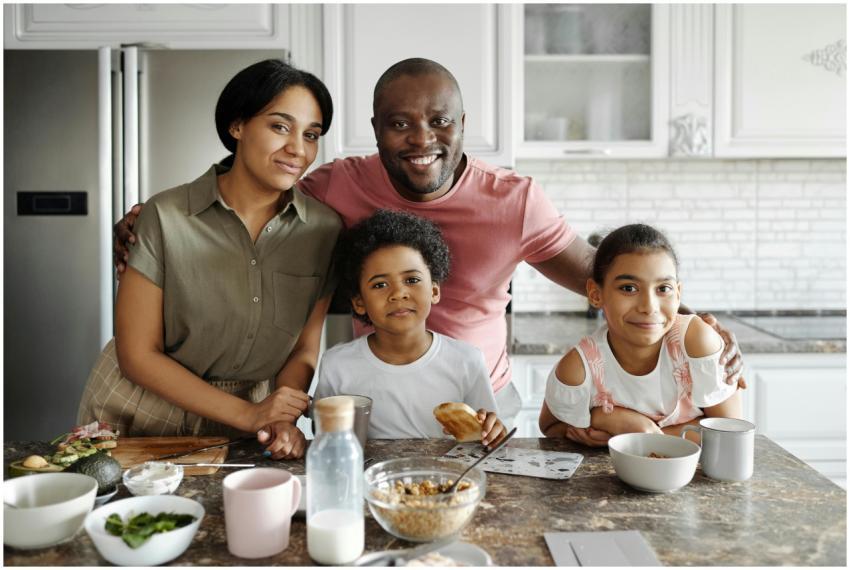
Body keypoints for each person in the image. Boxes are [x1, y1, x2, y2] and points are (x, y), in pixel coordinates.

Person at [112, 58, 745, 446]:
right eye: (400, 123)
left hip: (480, 406)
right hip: (375, 404)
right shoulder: (333, 188)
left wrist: (691, 320)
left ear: (463, 125)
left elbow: (605, 275)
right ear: (375, 130)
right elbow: (255, 183)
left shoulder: (516, 201)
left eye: (440, 121)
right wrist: (152, 218)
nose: (422, 139)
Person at [78, 59, 342, 459]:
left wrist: (279, 416)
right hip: (137, 410)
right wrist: (250, 415)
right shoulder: (164, 216)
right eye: (279, 127)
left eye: (311, 134)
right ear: (237, 126)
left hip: (248, 421)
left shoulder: (324, 230)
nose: (298, 149)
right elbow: (136, 354)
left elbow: (303, 349)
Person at [314, 210, 506, 446]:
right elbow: (324, 436)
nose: (398, 293)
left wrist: (492, 430)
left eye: (412, 280)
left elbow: (484, 436)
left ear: (434, 291)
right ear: (359, 302)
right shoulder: (337, 365)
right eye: (380, 285)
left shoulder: (467, 360)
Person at [539, 224, 742, 441]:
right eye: (629, 288)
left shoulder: (696, 341)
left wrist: (633, 431)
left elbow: (729, 433)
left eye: (663, 288)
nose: (649, 307)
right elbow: (551, 427)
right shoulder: (579, 368)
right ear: (596, 294)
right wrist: (604, 421)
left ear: (678, 294)